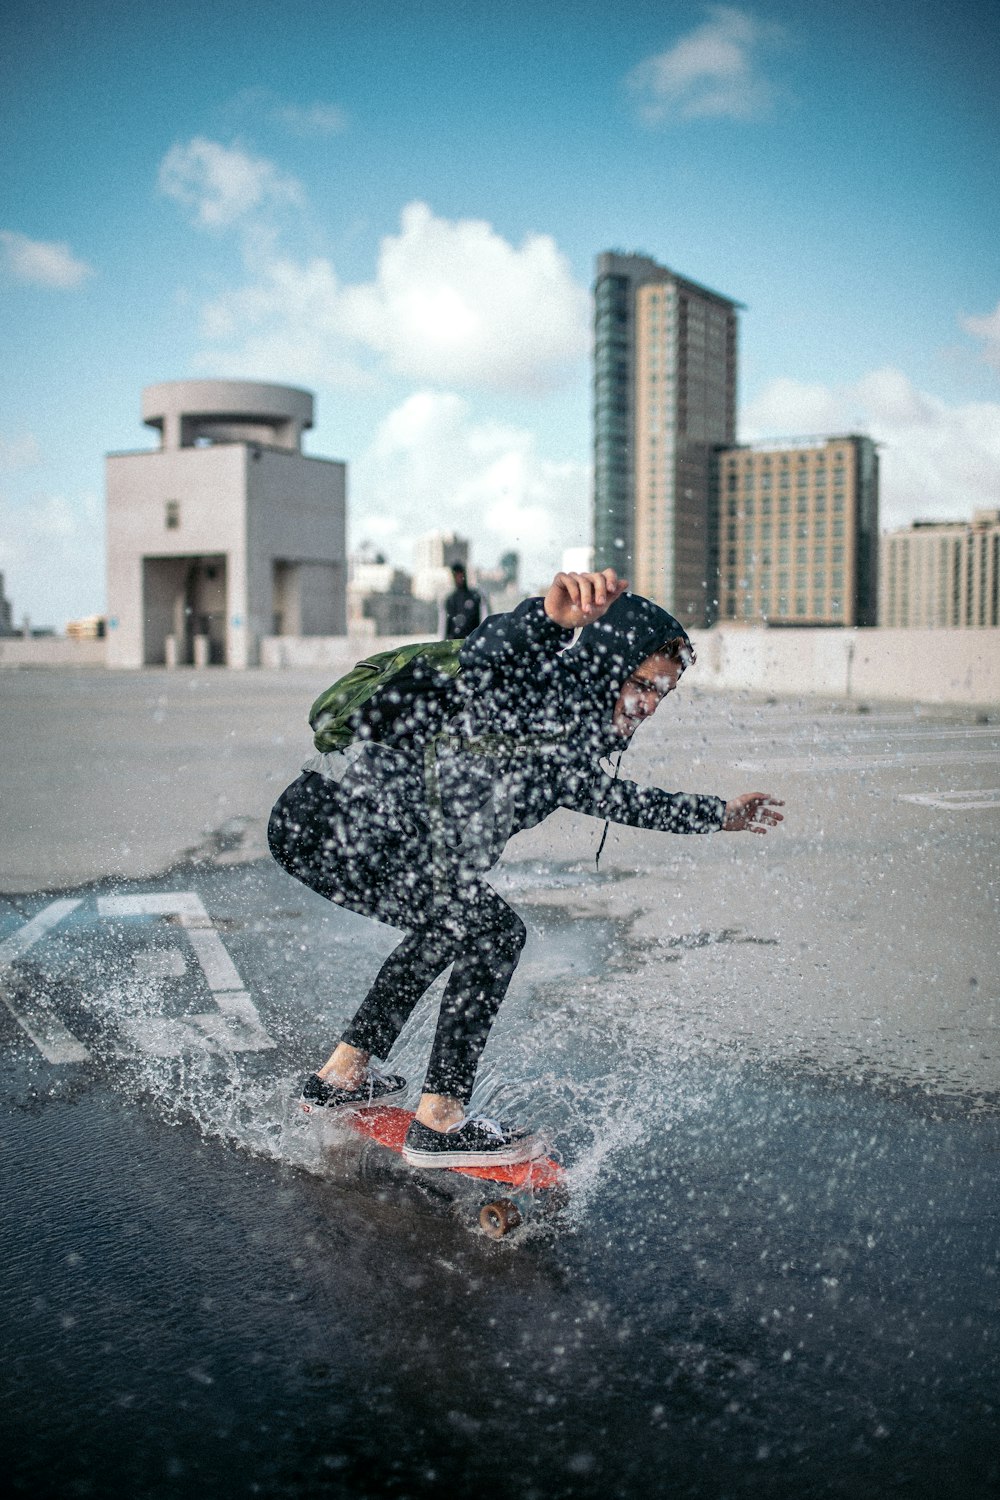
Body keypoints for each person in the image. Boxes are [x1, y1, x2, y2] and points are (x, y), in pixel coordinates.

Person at [268, 569, 783, 1169]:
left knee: (454, 922)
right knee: (491, 931)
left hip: (338, 825)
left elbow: (619, 800)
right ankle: (440, 1119)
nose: (647, 705)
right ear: (608, 664)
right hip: (337, 821)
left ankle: (343, 1073)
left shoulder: (568, 741)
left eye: (661, 694)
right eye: (642, 684)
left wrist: (719, 814)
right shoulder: (535, 685)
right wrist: (548, 618)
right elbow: (488, 654)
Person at [442, 562, 483, 638]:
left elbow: (481, 620)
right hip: (455, 643)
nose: (459, 578)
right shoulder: (451, 599)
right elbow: (446, 625)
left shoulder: (475, 596)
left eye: (461, 575)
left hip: (472, 641)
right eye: (456, 576)